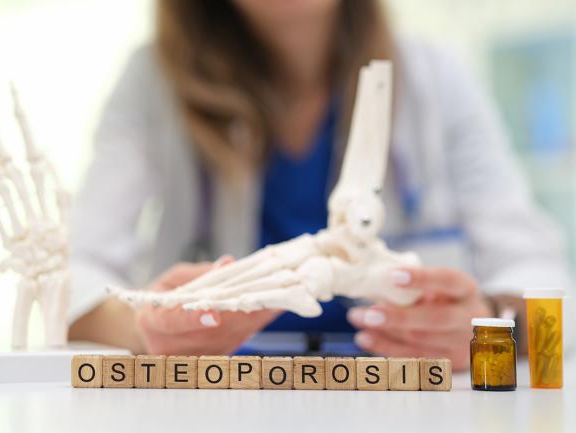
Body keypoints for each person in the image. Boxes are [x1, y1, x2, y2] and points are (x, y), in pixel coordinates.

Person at [67, 0, 572, 370]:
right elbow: (68, 279)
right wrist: (145, 327)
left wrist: (491, 332)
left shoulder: (434, 79)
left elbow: (549, 282)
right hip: (220, 403)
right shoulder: (151, 84)